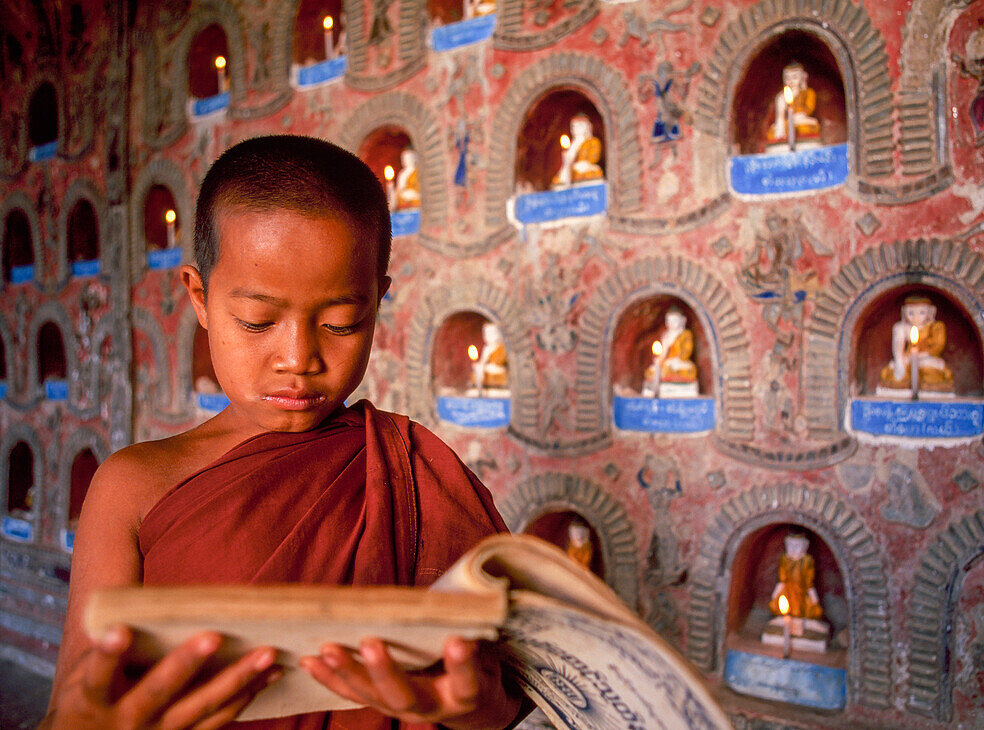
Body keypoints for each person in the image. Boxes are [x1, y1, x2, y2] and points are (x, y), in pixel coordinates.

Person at [40, 136, 523, 730]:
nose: (298, 358)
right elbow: (75, 707)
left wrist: (475, 710)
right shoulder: (134, 486)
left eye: (340, 323)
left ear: (377, 303)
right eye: (257, 321)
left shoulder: (411, 470)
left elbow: (501, 705)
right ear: (200, 297)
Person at [878, 294, 955, 393]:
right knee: (894, 367)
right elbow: (898, 346)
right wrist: (900, 361)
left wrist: (921, 355)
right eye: (911, 313)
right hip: (908, 358)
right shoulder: (902, 327)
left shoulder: (936, 326)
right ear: (904, 312)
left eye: (921, 312)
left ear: (930, 312)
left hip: (927, 357)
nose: (916, 317)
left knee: (929, 368)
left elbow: (937, 346)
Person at [767, 531, 823, 621]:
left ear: (805, 546)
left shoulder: (807, 560)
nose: (793, 549)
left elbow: (809, 583)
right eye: (791, 545)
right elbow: (782, 580)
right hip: (788, 590)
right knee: (777, 604)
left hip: (802, 591)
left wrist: (814, 598)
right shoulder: (784, 559)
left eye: (797, 546)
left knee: (813, 609)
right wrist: (775, 594)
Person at [765, 62, 821, 149]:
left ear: (802, 78)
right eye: (787, 78)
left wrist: (798, 113)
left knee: (810, 126)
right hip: (787, 122)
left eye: (795, 77)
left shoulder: (808, 92)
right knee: (772, 131)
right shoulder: (782, 96)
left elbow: (809, 109)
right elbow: (780, 116)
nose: (790, 81)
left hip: (801, 119)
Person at [551, 115, 603, 189]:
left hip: (586, 167)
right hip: (573, 169)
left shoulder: (593, 142)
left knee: (591, 173)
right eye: (574, 127)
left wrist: (583, 163)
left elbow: (594, 158)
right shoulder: (573, 143)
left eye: (579, 126)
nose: (576, 129)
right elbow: (569, 160)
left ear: (586, 127)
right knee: (559, 178)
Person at [471, 322, 508, 393]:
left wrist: (486, 367)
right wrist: (479, 366)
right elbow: (482, 362)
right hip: (486, 373)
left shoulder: (501, 348)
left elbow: (499, 364)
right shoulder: (486, 349)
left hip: (498, 373)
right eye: (485, 334)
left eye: (491, 334)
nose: (487, 336)